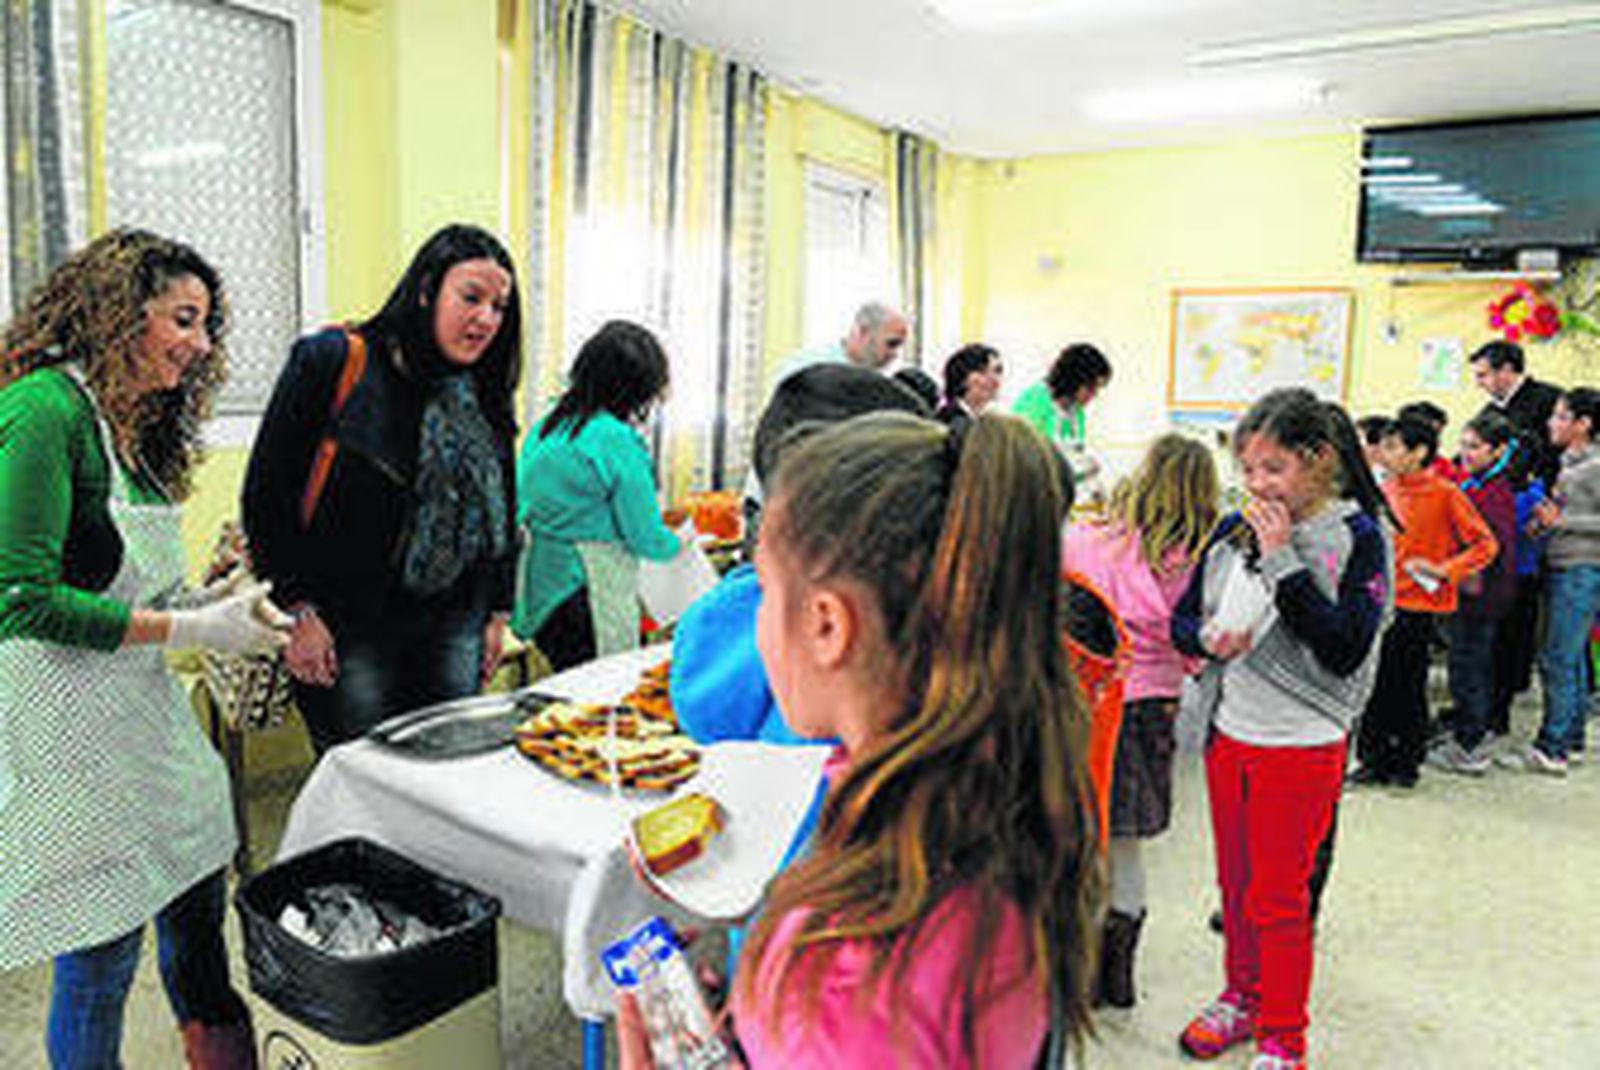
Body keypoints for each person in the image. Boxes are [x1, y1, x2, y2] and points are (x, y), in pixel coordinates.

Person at [624, 413, 1102, 1068]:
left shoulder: (849, 969)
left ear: (826, 623)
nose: (757, 622)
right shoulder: (990, 799)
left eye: (763, 590)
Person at [0, 229, 290, 1068]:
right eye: (184, 320)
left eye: (208, 326)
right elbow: (20, 600)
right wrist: (194, 631)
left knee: (201, 898)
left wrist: (220, 600)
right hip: (69, 749)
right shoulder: (45, 409)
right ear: (120, 311)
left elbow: (131, 596)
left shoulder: (135, 430)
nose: (201, 346)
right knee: (100, 963)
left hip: (143, 730)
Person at [1172, 389, 1393, 1070]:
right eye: (1249, 469)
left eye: (1275, 469)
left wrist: (1281, 561)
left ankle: (1282, 1035)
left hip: (1303, 744)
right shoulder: (1230, 527)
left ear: (1320, 460)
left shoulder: (1358, 536)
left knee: (1279, 896)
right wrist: (1208, 640)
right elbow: (1182, 617)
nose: (1258, 485)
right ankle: (1241, 995)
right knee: (1235, 886)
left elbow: (1344, 648)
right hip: (1229, 733)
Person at [244, 223, 521, 752]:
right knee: (366, 784)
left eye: (499, 306)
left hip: (454, 623)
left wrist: (496, 613)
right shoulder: (333, 361)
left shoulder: (481, 389)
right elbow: (267, 495)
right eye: (471, 297)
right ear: (425, 291)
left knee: (447, 782)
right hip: (347, 628)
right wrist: (297, 610)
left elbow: (503, 510)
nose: (486, 318)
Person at [1061, 433, 1218, 1008]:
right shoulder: (1202, 558)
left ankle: (1082, 971)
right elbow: (1201, 641)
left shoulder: (1093, 541)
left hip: (1094, 702)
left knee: (1086, 838)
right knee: (1128, 844)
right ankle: (1119, 976)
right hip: (1157, 705)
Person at [512, 320, 682, 671]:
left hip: (542, 591)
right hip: (590, 590)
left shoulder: (546, 427)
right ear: (637, 387)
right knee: (601, 700)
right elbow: (646, 537)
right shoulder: (615, 439)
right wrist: (683, 545)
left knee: (567, 690)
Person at [1352, 413, 1496, 788]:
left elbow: (1485, 544)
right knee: (1376, 685)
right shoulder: (1383, 491)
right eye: (1383, 445)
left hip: (1418, 607)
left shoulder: (1446, 493)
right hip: (1379, 604)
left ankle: (1405, 764)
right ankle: (1373, 759)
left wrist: (1443, 569)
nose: (1383, 453)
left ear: (1419, 452)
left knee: (1408, 687)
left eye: (1393, 446)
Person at [1505, 387, 1600, 775]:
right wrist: (1544, 523)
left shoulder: (1596, 466)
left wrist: (1562, 522)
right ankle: (1571, 739)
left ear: (1583, 424)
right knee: (1572, 657)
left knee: (1557, 658)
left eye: (1561, 416)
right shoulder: (1569, 461)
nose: (1551, 423)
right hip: (1562, 562)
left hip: (1581, 568)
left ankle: (1553, 747)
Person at [1429, 411, 1519, 774]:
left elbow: (1488, 547)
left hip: (1480, 594)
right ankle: (1469, 733)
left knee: (1468, 667)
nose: (1465, 453)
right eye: (1463, 444)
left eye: (1475, 446)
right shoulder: (1477, 483)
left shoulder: (1493, 492)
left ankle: (1470, 746)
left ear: (1497, 450)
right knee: (1466, 662)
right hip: (1472, 590)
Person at [1013, 342, 1112, 490]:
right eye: (1090, 388)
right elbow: (1020, 458)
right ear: (1074, 380)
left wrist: (1084, 469)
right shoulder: (1034, 402)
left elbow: (1074, 453)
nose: (1093, 395)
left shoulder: (1076, 413)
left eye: (1097, 389)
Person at [1469, 340, 1563, 489]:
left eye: (1482, 375)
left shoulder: (1552, 399)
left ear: (1507, 370)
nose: (1478, 383)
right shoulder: (1489, 412)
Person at [769, 301, 909, 388]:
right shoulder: (809, 367)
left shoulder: (876, 379)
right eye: (892, 343)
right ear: (863, 332)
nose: (894, 354)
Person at [934, 343, 1003, 427]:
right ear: (963, 378)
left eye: (998, 372)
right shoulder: (945, 422)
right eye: (983, 373)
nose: (995, 380)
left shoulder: (994, 423)